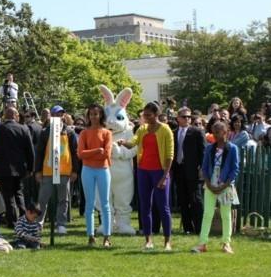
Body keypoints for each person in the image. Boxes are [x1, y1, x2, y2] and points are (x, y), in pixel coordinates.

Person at [119, 102, 174, 251]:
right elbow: (133, 143)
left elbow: (169, 155)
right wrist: (123, 142)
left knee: (163, 207)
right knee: (145, 206)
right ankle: (148, 239)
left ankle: (167, 241)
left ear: (156, 115)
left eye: (149, 115)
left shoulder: (166, 130)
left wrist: (165, 176)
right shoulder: (142, 129)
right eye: (144, 115)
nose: (146, 117)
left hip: (159, 172)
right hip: (143, 171)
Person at [191, 122, 239, 254]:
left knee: (226, 215)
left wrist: (224, 185)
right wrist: (209, 184)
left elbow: (235, 169)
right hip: (210, 184)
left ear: (225, 132)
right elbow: (204, 168)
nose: (215, 135)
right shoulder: (209, 148)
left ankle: (226, 243)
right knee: (207, 214)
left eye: (218, 132)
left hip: (226, 185)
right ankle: (202, 244)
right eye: (214, 132)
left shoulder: (233, 148)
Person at [34, 105, 80, 235]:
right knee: (43, 199)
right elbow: (39, 153)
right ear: (51, 116)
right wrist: (37, 171)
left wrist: (75, 170)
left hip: (65, 170)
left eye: (61, 114)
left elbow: (74, 152)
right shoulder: (45, 132)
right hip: (48, 171)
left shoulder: (69, 132)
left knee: (63, 199)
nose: (59, 116)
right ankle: (38, 223)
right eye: (56, 114)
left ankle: (61, 224)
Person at [0, 107, 34, 228]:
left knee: (8, 195)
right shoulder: (23, 129)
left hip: (4, 168)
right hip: (20, 168)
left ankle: (12, 221)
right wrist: (30, 168)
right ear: (15, 116)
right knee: (19, 193)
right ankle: (23, 218)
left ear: (5, 116)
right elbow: (30, 150)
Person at [77, 103, 113, 247]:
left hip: (103, 170)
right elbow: (80, 154)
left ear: (101, 115)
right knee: (89, 204)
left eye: (96, 114)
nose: (93, 116)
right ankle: (90, 235)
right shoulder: (84, 133)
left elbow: (106, 154)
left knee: (105, 204)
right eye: (91, 114)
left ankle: (107, 236)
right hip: (87, 170)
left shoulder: (107, 133)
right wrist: (96, 151)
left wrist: (91, 154)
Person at [172, 107, 206, 235]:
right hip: (178, 169)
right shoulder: (173, 132)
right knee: (183, 200)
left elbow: (203, 151)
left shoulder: (197, 132)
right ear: (178, 118)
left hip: (193, 170)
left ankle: (199, 227)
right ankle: (187, 228)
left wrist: (202, 168)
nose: (187, 119)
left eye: (189, 117)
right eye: (184, 116)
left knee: (196, 199)